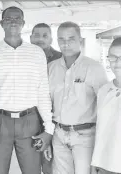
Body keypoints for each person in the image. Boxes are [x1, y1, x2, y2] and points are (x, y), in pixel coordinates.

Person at [0, 6, 54, 174]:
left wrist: (49, 129)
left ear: (23, 23)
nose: (13, 22)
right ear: (1, 23)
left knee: (33, 171)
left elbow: (42, 91)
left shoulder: (36, 53)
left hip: (29, 121)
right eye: (8, 19)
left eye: (17, 19)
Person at [48, 21, 108, 174]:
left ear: (80, 41)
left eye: (71, 39)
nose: (65, 43)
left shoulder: (94, 68)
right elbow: (46, 103)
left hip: (85, 136)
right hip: (58, 134)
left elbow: (105, 106)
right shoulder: (51, 68)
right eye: (61, 39)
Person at [30, 22, 62, 174]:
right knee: (32, 164)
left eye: (44, 36)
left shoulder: (61, 59)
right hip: (29, 118)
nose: (40, 39)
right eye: (36, 35)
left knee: (52, 164)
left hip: (54, 119)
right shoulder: (23, 56)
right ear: (30, 38)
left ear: (51, 39)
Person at [91, 37, 121, 174]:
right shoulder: (104, 90)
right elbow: (100, 130)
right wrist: (94, 163)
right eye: (113, 58)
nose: (118, 63)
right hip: (105, 165)